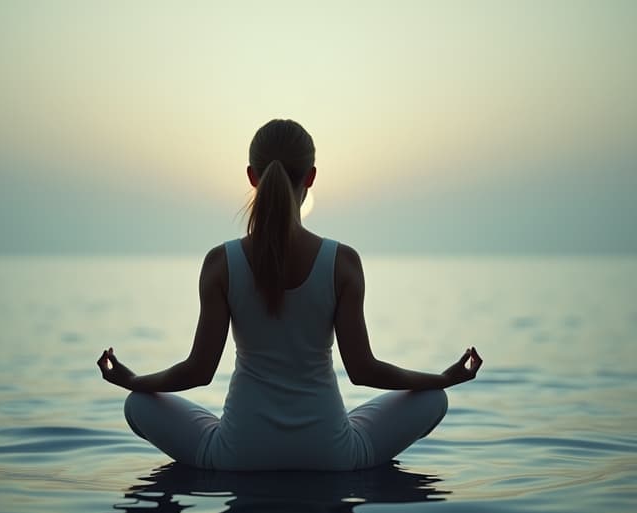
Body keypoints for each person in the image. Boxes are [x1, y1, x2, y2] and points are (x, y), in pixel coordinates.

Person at [97, 118, 483, 471]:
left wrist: (134, 381)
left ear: (251, 176)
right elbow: (363, 370)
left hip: (237, 454)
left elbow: (198, 371)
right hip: (331, 454)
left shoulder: (221, 262)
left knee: (138, 404)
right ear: (311, 177)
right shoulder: (342, 262)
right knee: (434, 398)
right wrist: (442, 378)